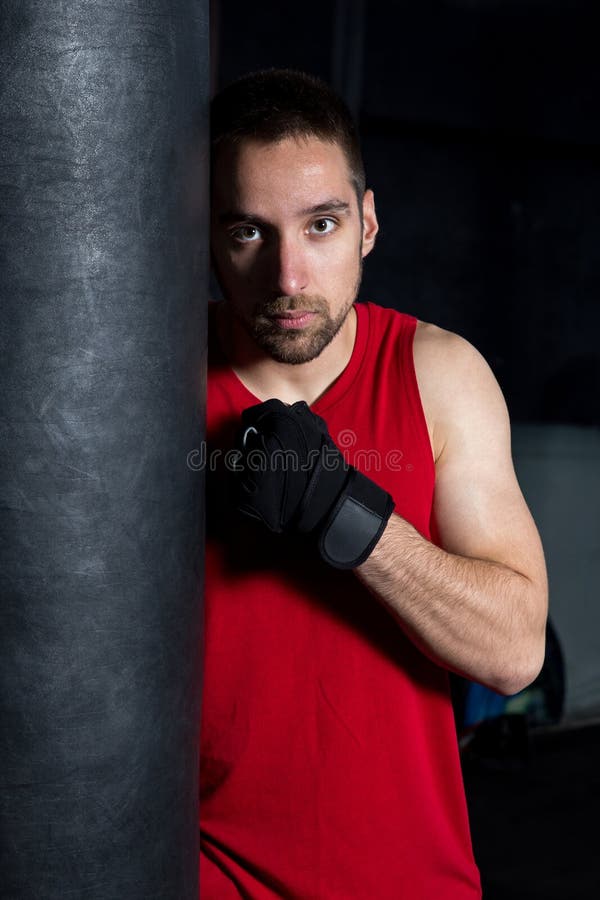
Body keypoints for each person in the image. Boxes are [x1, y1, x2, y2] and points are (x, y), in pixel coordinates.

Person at [199, 68, 548, 899]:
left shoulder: (438, 373)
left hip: (408, 880)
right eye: (249, 232)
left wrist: (344, 513)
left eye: (320, 225)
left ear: (368, 224)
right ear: (209, 237)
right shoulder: (151, 379)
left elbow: (514, 653)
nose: (288, 278)